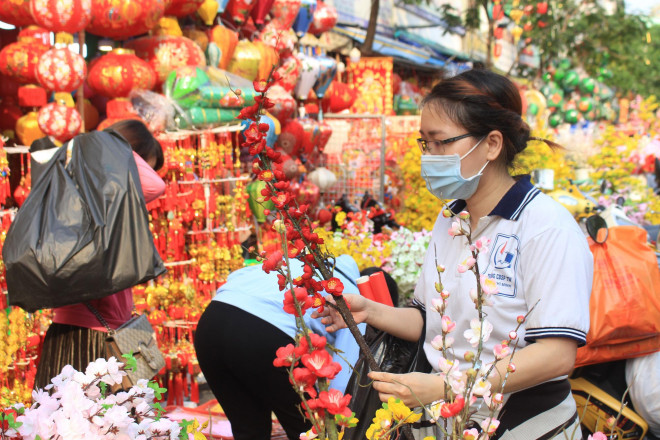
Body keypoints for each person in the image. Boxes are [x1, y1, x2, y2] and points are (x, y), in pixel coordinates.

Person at [315, 69, 593, 440]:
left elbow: (556, 354)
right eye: (424, 143)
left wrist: (452, 386)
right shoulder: (449, 219)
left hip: (527, 423)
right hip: (455, 420)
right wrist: (371, 311)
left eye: (441, 142)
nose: (429, 157)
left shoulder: (545, 227)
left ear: (492, 144)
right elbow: (429, 319)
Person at [194, 256, 396, 440]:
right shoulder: (352, 299)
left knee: (249, 429)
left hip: (211, 323)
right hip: (263, 335)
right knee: (311, 432)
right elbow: (342, 384)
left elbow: (236, 276)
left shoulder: (304, 261)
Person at [33, 120, 166, 389]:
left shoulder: (93, 204)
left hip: (89, 329)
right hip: (93, 336)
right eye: (143, 164)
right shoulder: (89, 203)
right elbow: (155, 186)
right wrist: (112, 146)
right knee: (103, 423)